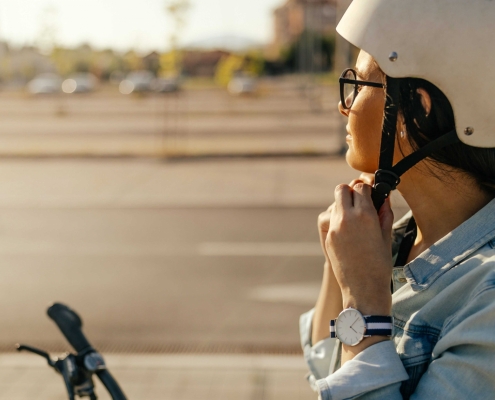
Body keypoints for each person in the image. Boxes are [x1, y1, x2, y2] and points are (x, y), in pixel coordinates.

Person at [299, 0, 495, 399]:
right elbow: (324, 369)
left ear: (415, 109)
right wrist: (339, 266)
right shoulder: (393, 241)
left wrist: (364, 302)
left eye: (359, 85)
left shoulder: (487, 298)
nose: (345, 104)